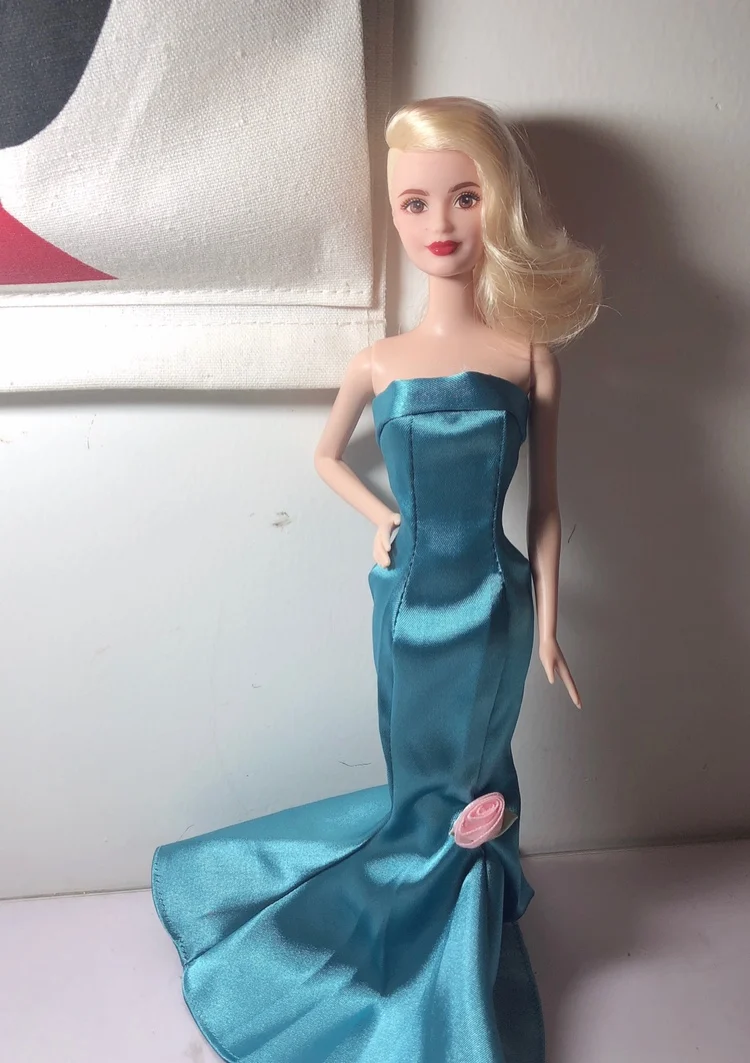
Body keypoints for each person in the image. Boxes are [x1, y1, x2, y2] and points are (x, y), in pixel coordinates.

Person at [152, 95, 602, 1063]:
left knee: (475, 771)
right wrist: (381, 515)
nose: (440, 225)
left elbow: (550, 503)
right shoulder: (379, 362)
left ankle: (459, 918)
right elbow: (325, 456)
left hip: (496, 602)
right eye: (413, 203)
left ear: (499, 205)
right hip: (406, 605)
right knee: (420, 777)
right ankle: (403, 922)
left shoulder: (529, 356)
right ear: (391, 213)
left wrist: (550, 622)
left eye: (465, 197)